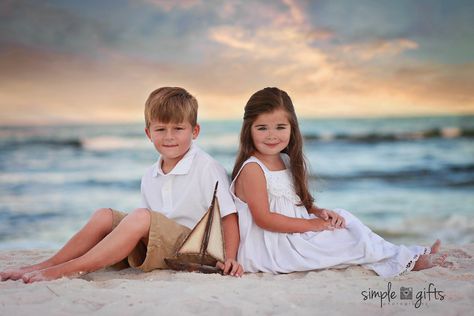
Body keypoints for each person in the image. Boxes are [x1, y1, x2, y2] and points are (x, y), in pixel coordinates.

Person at [1, 87, 243, 283]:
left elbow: (229, 217)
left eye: (178, 129)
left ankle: (69, 268)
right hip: (161, 245)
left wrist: (230, 257)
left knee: (139, 216)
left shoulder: (206, 167)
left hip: (194, 248)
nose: (169, 136)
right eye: (161, 129)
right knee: (104, 215)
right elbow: (149, 223)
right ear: (149, 133)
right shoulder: (151, 174)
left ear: (195, 131)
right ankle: (46, 264)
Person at [230, 87, 447, 277]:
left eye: (280, 127)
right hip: (271, 249)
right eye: (262, 128)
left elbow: (290, 202)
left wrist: (317, 212)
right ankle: (410, 260)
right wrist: (313, 225)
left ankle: (406, 255)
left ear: (292, 128)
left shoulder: (285, 160)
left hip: (291, 235)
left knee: (345, 220)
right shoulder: (253, 169)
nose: (271, 135)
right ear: (249, 129)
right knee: (347, 240)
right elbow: (265, 219)